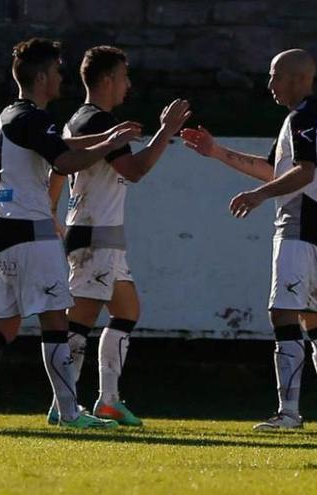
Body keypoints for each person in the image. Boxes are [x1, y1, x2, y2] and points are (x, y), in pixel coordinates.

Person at [0, 38, 141, 429]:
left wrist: (108, 138)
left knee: (3, 328)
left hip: (3, 231)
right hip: (31, 235)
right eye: (56, 71)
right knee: (56, 321)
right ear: (40, 77)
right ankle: (70, 413)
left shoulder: (10, 116)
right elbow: (66, 159)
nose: (60, 78)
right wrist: (109, 142)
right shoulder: (34, 118)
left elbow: (61, 144)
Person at [181, 49, 317, 430]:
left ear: (297, 78)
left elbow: (304, 173)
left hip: (301, 222)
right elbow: (274, 169)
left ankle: (289, 412)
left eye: (274, 76)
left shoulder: (306, 117)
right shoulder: (303, 118)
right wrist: (217, 151)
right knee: (315, 317)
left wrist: (260, 197)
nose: (269, 84)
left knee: (283, 312)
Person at [47, 45, 190, 427]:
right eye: (125, 76)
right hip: (95, 236)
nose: (128, 85)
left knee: (126, 312)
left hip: (100, 235)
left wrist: (52, 210)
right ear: (108, 79)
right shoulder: (98, 123)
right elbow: (135, 169)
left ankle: (107, 400)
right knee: (79, 320)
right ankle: (64, 404)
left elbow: (58, 170)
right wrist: (166, 131)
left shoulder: (80, 120)